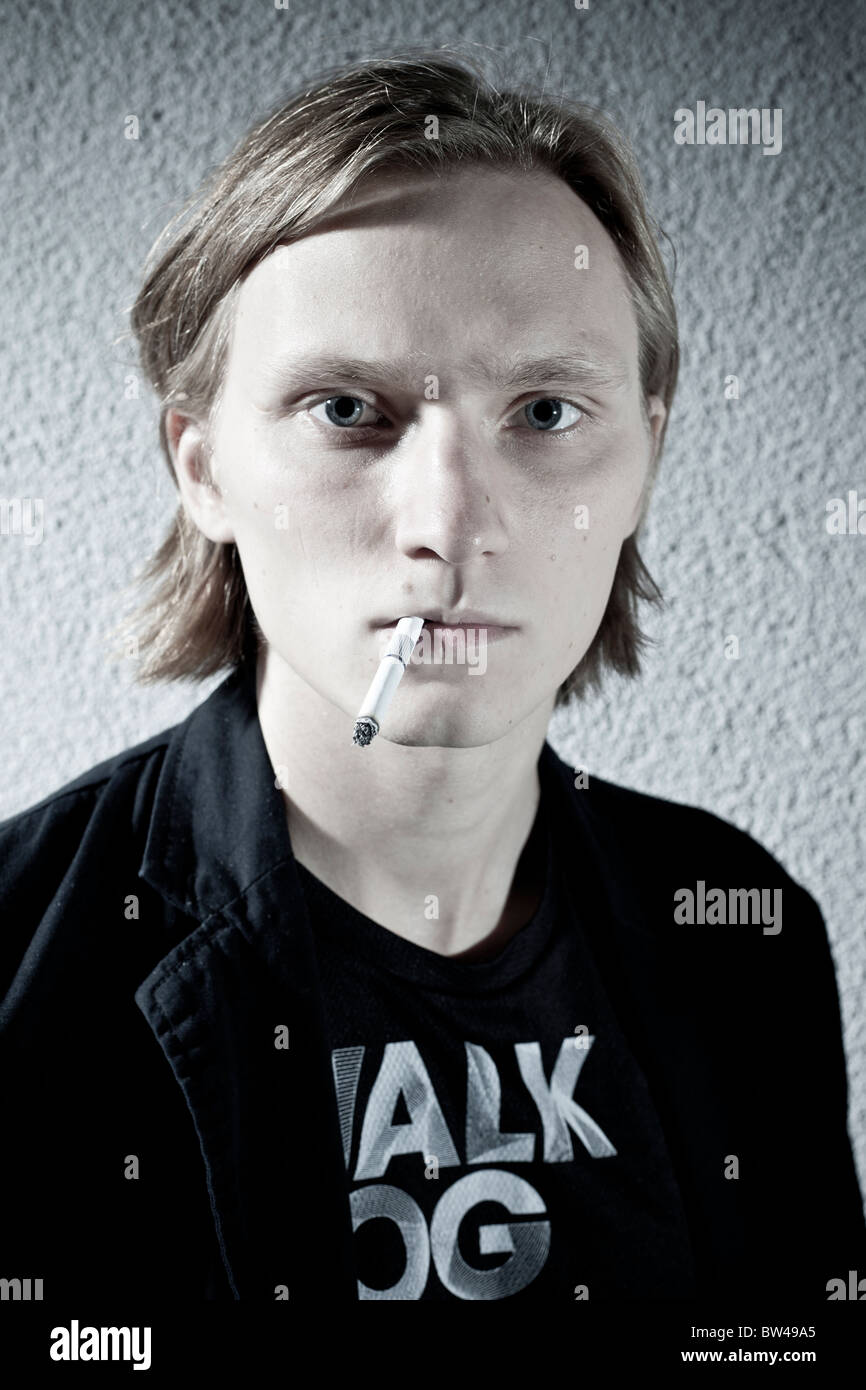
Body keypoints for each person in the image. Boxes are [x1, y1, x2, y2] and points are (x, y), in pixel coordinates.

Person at [1, 51, 863, 1304]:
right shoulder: (24, 963)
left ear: (644, 462)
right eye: (348, 407)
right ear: (201, 469)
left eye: (547, 414)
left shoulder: (740, 931)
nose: (451, 522)